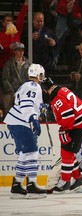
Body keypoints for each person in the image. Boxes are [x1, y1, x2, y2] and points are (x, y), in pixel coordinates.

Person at [41, 77, 82, 193]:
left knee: (66, 151)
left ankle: (65, 182)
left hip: (79, 124)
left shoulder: (56, 97)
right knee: (68, 151)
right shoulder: (61, 89)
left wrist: (64, 130)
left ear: (45, 90)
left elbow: (68, 115)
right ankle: (78, 179)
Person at [4, 63, 47, 199]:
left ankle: (17, 185)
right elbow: (27, 104)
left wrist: (39, 108)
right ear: (39, 75)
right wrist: (33, 118)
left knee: (24, 153)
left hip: (16, 121)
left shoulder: (26, 85)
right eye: (42, 75)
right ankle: (32, 184)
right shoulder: (34, 86)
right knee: (32, 152)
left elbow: (26, 102)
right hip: (22, 122)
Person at [2, 42, 29, 117]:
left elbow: (29, 78)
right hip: (11, 91)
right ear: (14, 51)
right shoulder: (9, 64)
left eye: (22, 50)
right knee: (8, 107)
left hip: (23, 91)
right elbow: (5, 79)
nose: (21, 52)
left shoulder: (27, 64)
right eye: (19, 50)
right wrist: (11, 91)